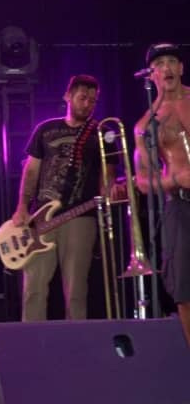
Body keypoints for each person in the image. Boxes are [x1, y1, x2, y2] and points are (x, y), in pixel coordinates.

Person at [11, 74, 117, 322]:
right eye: (83, 98)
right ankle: (33, 340)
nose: (88, 104)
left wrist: (111, 190)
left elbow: (109, 174)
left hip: (81, 217)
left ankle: (76, 343)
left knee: (76, 291)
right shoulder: (45, 129)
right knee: (33, 287)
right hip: (41, 218)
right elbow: (31, 171)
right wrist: (22, 207)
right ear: (67, 96)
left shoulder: (103, 132)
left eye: (93, 100)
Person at [133, 42, 190, 346]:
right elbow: (143, 181)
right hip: (180, 204)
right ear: (151, 74)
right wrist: (175, 179)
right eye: (159, 64)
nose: (166, 68)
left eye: (172, 61)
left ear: (181, 68)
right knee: (184, 288)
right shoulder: (146, 125)